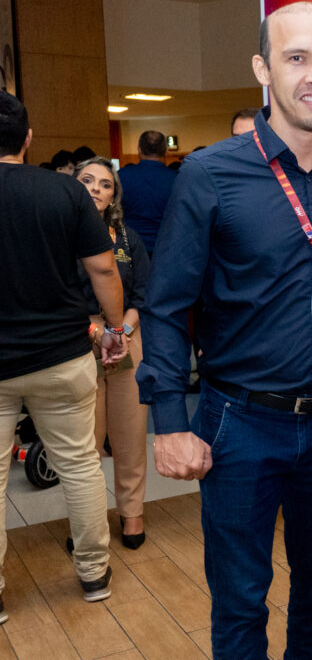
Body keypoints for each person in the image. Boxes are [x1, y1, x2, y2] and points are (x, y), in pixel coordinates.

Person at [137, 1, 312, 657]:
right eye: (297, 58)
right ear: (263, 68)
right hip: (239, 423)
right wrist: (168, 419)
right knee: (241, 596)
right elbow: (164, 305)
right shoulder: (211, 173)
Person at [0, 91, 126, 612]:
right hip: (63, 354)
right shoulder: (64, 193)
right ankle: (94, 575)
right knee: (79, 466)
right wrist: (115, 328)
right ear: (29, 139)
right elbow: (103, 269)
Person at [75, 157, 150, 549]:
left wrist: (121, 331)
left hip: (126, 338)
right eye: (87, 180)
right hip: (76, 340)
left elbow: (143, 295)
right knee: (86, 442)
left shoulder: (127, 239)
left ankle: (132, 515)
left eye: (105, 184)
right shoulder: (58, 235)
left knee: (131, 434)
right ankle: (89, 527)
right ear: (73, 187)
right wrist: (98, 330)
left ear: (113, 195)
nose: (96, 189)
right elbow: (59, 297)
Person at [118, 130, 177, 254]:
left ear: (139, 149)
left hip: (129, 247)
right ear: (165, 149)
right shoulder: (177, 179)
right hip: (167, 248)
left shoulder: (121, 176)